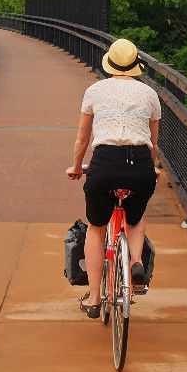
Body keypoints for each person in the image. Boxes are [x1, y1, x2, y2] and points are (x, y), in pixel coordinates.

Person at [65, 37, 161, 318]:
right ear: (135, 66)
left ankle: (94, 299)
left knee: (96, 227)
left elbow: (83, 137)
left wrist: (75, 166)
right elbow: (153, 141)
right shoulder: (149, 95)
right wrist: (151, 168)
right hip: (140, 164)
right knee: (135, 217)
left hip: (104, 163)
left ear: (110, 64)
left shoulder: (95, 90)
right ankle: (134, 262)